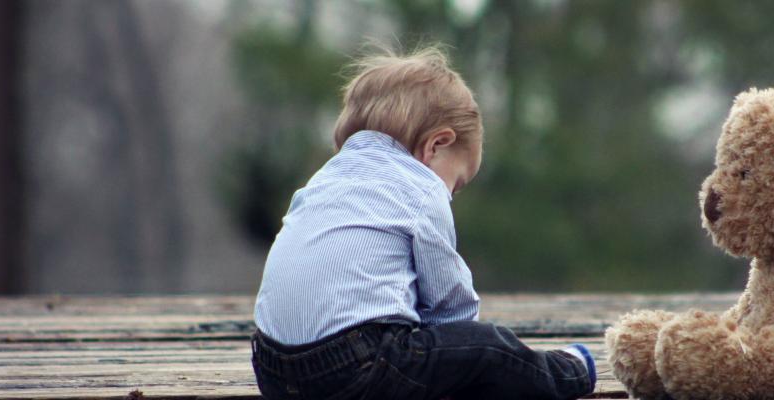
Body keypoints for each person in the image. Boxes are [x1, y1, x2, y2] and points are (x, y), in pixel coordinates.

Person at [251, 45, 596, 400]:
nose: (450, 195)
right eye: (457, 184)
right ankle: (570, 372)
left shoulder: (323, 180)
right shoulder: (420, 188)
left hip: (272, 369)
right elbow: (450, 305)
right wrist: (459, 358)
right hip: (354, 367)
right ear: (436, 145)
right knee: (489, 347)